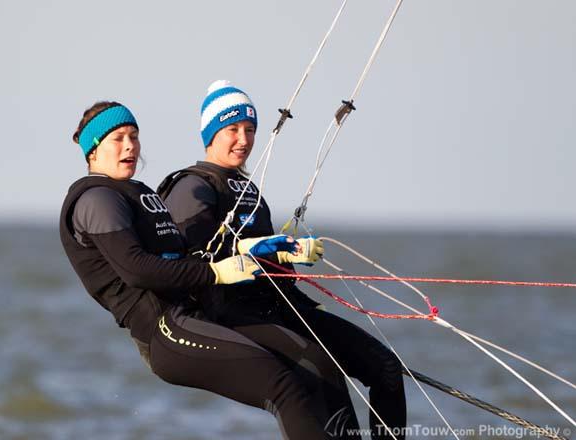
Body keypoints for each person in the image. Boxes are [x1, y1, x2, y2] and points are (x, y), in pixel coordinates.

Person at [60, 101, 358, 439]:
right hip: (164, 330)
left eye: (134, 136)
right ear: (94, 150)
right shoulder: (97, 199)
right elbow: (138, 271)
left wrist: (248, 250)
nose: (130, 146)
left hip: (197, 314)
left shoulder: (139, 193)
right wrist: (216, 273)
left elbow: (185, 254)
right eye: (118, 138)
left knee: (314, 368)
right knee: (283, 386)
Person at [159, 81, 407, 440]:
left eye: (250, 130)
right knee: (324, 372)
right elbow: (193, 258)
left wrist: (288, 255)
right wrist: (258, 247)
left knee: (384, 366)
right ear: (210, 134)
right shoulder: (192, 187)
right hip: (233, 316)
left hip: (283, 306)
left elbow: (275, 269)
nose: (243, 139)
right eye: (232, 130)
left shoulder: (250, 192)